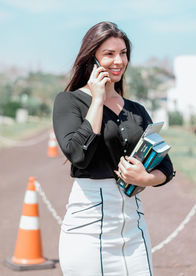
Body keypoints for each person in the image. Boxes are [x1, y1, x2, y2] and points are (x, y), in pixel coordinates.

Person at [53, 21, 175, 276]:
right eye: (109, 54)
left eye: (123, 53)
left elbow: (166, 165)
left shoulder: (137, 110)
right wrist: (98, 99)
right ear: (92, 59)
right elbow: (78, 155)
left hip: (134, 226)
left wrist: (146, 178)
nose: (119, 60)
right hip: (87, 228)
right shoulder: (69, 102)